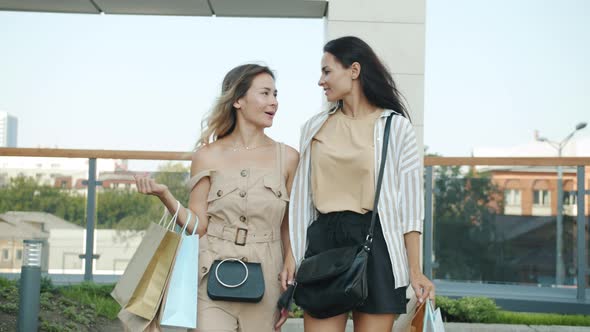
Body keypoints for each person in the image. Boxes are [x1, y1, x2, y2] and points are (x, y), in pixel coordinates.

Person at [135, 63, 299, 332]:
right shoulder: (206, 155)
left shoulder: (289, 157)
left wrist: (290, 270)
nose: (274, 102)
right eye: (265, 94)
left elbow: (288, 225)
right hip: (211, 271)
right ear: (237, 100)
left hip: (267, 277)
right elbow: (199, 226)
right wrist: (165, 196)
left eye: (276, 94)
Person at [288, 36, 434, 332]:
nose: (320, 81)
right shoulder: (314, 127)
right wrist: (292, 256)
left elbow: (410, 207)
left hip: (377, 242)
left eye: (327, 71)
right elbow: (301, 202)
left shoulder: (396, 127)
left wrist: (415, 271)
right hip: (324, 242)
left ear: (354, 70)